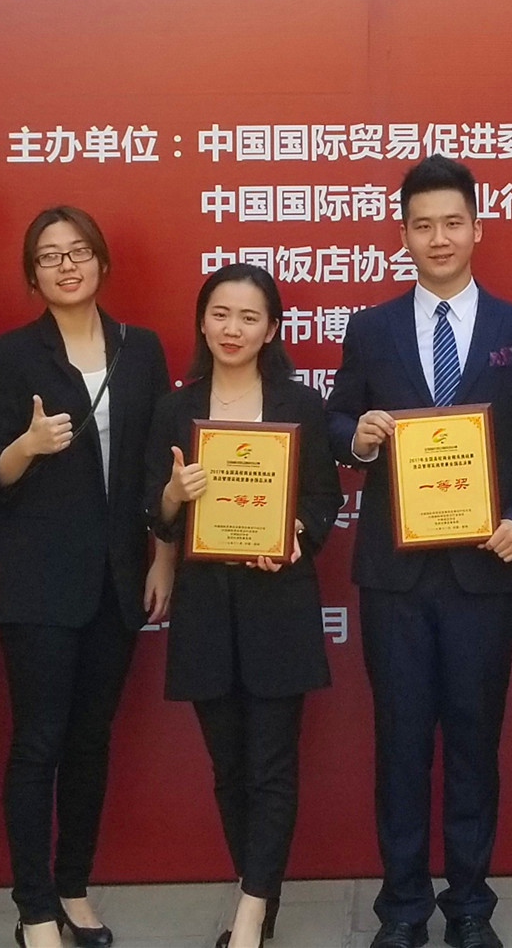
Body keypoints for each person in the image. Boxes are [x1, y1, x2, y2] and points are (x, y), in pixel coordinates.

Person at [326, 154, 512, 948]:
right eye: (422, 225)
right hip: (394, 575)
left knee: (473, 741)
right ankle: (401, 909)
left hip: (481, 569)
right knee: (398, 744)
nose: (438, 237)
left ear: (477, 228)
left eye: (452, 222)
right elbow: (336, 420)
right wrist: (357, 437)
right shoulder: (372, 327)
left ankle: (469, 907)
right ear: (403, 234)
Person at [0, 206, 175, 948]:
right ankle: (33, 909)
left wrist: (163, 556)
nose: (66, 265)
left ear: (102, 262)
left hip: (119, 578)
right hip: (39, 582)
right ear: (32, 275)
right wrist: (27, 445)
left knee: (91, 740)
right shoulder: (12, 354)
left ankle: (73, 888)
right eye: (50, 256)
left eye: (79, 251)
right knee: (39, 742)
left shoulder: (141, 349)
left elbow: (160, 463)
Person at [148, 264, 343, 948]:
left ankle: (253, 912)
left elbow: (323, 499)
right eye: (221, 314)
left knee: (271, 765)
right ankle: (255, 886)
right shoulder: (175, 409)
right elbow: (154, 511)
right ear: (202, 322)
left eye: (249, 317)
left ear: (272, 329)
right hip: (205, 603)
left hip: (276, 600)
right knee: (228, 768)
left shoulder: (300, 405)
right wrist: (174, 493)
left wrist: (294, 535)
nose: (233, 329)